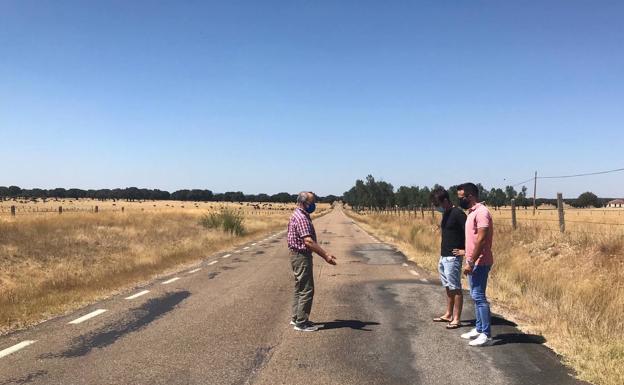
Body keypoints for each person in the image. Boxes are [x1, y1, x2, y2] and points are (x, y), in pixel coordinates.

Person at [287, 191, 337, 332]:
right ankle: (301, 323)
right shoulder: (302, 218)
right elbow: (308, 241)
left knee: (300, 287)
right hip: (301, 256)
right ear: (304, 202)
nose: (313, 205)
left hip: (296, 255)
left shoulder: (297, 214)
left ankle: (297, 317)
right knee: (307, 289)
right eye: (312, 202)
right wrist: (325, 255)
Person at [455, 183, 495, 347]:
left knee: (479, 297)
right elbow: (473, 239)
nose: (460, 200)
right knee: (475, 296)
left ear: (470, 196)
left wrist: (471, 261)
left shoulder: (482, 212)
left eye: (461, 197)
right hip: (473, 260)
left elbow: (481, 239)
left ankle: (486, 334)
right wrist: (467, 254)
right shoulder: (472, 213)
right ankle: (479, 329)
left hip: (480, 261)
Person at [430, 187, 466, 329]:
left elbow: (470, 233)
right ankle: (448, 314)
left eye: (437, 204)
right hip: (444, 256)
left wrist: (465, 251)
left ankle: (456, 319)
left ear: (445, 200)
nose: (436, 207)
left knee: (455, 287)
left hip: (453, 257)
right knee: (448, 287)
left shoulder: (458, 214)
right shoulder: (446, 214)